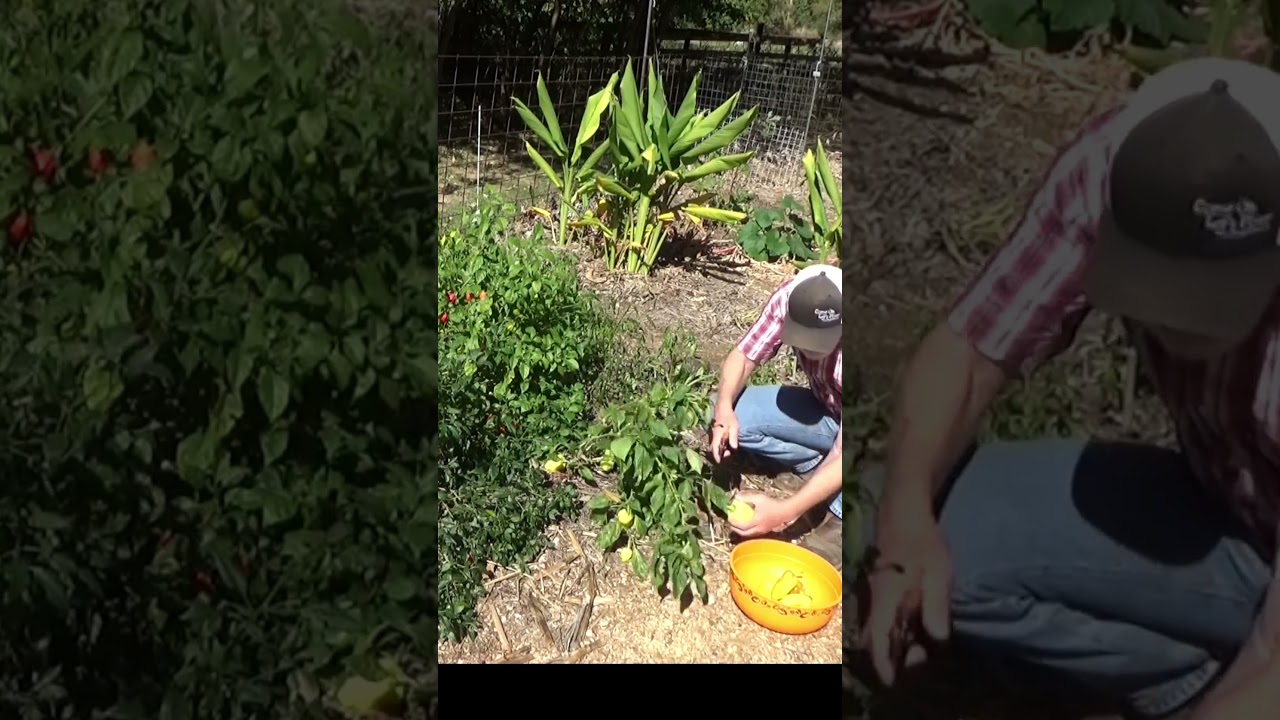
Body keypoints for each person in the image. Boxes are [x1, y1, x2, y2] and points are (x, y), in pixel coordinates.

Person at [853, 57, 1280, 720]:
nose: (1173, 322)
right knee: (906, 518)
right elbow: (968, 352)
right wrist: (905, 529)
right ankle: (1193, 678)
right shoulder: (1115, 169)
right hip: (1229, 506)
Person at [708, 262, 843, 565]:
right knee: (735, 413)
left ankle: (840, 521)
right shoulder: (790, 298)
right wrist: (724, 409)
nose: (809, 351)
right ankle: (814, 471)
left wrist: (785, 512)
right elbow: (743, 358)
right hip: (830, 410)